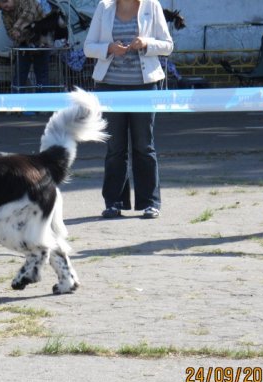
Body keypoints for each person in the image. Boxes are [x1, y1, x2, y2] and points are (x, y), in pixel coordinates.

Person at [83, 0, 172, 220]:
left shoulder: (152, 6)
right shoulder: (104, 7)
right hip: (109, 86)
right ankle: (114, 202)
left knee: (144, 144)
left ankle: (150, 202)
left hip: (144, 86)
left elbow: (168, 45)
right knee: (115, 147)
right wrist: (109, 48)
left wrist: (146, 43)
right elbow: (88, 47)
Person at [0, 0, 50, 91]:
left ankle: (43, 101)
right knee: (20, 74)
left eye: (6, 1)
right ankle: (16, 101)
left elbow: (28, 14)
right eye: (2, 2)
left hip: (41, 40)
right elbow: (9, 31)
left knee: (41, 74)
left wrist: (17, 29)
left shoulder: (27, 2)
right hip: (23, 43)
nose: (5, 5)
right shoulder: (5, 14)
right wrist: (16, 35)